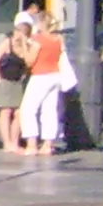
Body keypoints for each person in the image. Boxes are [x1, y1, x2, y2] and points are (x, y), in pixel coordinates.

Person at [19, 12, 69, 154]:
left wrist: (24, 43)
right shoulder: (58, 39)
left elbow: (29, 61)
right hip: (55, 75)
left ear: (40, 24)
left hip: (40, 76)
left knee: (27, 110)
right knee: (49, 110)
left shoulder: (38, 39)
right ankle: (48, 145)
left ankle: (31, 145)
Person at [0, 19, 30, 150]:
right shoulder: (7, 43)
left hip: (17, 82)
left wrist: (24, 43)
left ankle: (14, 141)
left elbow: (27, 60)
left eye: (21, 32)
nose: (18, 35)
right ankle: (7, 143)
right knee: (5, 111)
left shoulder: (26, 46)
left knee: (18, 113)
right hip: (5, 80)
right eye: (17, 31)